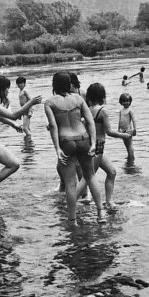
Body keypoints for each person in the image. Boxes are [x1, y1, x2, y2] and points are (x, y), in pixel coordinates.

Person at [44, 72, 105, 225]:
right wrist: (92, 143)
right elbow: (90, 121)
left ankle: (72, 220)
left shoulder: (50, 102)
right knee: (90, 176)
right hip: (83, 138)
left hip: (66, 141)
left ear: (54, 85)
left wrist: (57, 149)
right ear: (69, 84)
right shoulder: (78, 99)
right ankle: (101, 214)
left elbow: (53, 126)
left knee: (71, 183)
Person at [0, 75, 43, 207]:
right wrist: (31, 102)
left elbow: (0, 117)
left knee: (14, 164)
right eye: (6, 89)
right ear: (0, 89)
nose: (7, 92)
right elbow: (14, 115)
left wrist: (13, 125)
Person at [75, 83, 132, 209]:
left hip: (90, 145)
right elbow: (109, 131)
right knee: (87, 178)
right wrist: (125, 135)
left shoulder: (87, 110)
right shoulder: (102, 111)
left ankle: (109, 202)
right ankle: (72, 201)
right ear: (102, 96)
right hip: (98, 147)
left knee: (111, 172)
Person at [118, 93, 137, 162]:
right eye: (124, 101)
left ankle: (131, 156)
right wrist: (118, 129)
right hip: (122, 129)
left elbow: (133, 120)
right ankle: (129, 154)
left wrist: (135, 129)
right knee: (125, 143)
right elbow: (120, 120)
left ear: (130, 102)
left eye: (128, 101)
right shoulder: (121, 111)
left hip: (128, 129)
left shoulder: (130, 110)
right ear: (121, 102)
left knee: (129, 144)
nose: (126, 102)